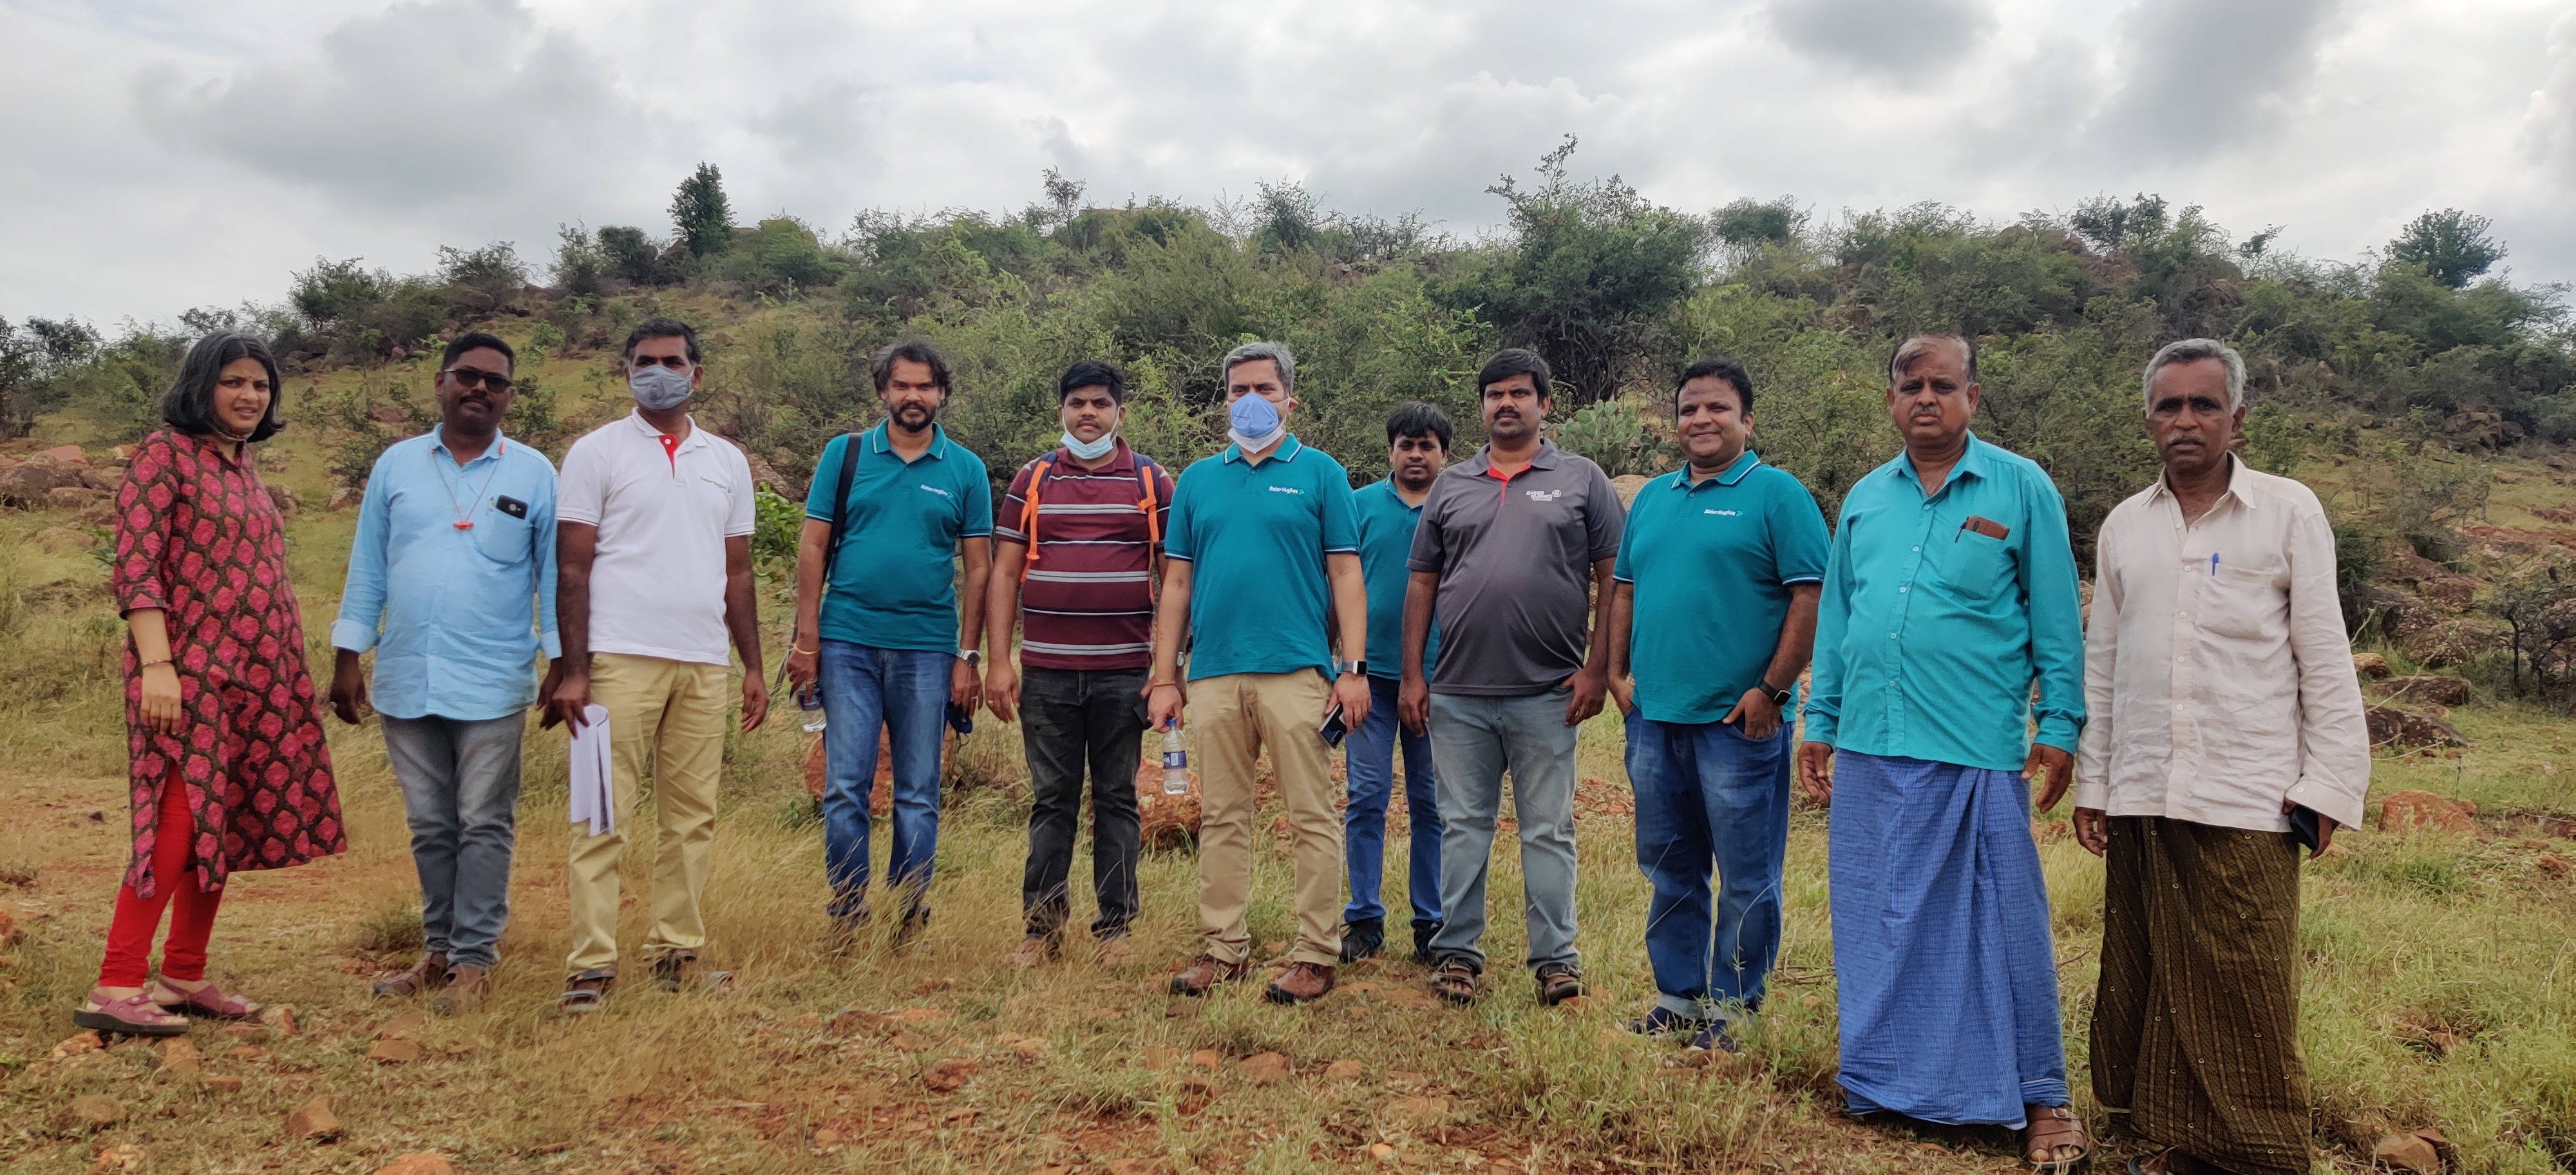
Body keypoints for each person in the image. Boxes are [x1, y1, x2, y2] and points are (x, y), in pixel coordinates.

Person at [2074, 339, 2369, 1175]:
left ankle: (2257, 1154)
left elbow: (2325, 656)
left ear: (2238, 418)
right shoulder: (2127, 525)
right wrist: (2096, 780)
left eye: (2204, 405)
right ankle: (2173, 1140)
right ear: (2148, 423)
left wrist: (2330, 785)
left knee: (2242, 981)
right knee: (2156, 967)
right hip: (2145, 785)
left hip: (2252, 790)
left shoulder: (2287, 513)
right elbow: (2106, 659)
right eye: (2169, 406)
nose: (2186, 421)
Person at [1796, 333, 2090, 1169]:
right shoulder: (1863, 499)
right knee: (1878, 919)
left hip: (1975, 749)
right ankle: (1889, 1085)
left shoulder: (2019, 488)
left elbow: (2055, 619)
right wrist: (1822, 719)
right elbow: (1844, 616)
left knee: (2004, 923)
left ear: (1973, 396)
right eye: (1910, 384)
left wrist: (2060, 725)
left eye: (1942, 385)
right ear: (1891, 398)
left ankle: (2044, 1102)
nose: (1925, 398)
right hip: (1871, 748)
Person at [76, 330, 346, 1036]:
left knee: (218, 821)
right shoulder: (162, 455)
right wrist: (158, 667)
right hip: (188, 674)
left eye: (260, 385)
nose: (249, 396)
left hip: (259, 678)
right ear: (202, 385)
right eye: (234, 381)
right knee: (176, 821)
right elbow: (137, 569)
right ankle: (116, 982)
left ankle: (184, 974)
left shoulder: (244, 467)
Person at [542, 318, 768, 1013]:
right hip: (615, 660)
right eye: (645, 361)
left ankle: (676, 952)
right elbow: (571, 566)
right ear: (627, 371)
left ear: (696, 374)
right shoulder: (595, 453)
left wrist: (752, 666)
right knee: (599, 813)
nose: (658, 371)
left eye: (672, 361)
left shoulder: (726, 461)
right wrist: (573, 669)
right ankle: (591, 966)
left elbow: (738, 574)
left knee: (691, 816)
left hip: (702, 662)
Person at [330, 331, 557, 1014]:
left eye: (496, 381)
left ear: (510, 396)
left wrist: (565, 663)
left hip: (492, 676)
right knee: (430, 822)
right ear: (440, 382)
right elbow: (369, 567)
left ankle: (475, 959)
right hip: (406, 673)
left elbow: (554, 575)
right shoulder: (397, 465)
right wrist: (348, 654)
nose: (480, 388)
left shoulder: (533, 472)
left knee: (484, 819)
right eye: (468, 376)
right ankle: (437, 951)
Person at [1605, 356, 1827, 1052]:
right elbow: (1624, 588)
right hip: (1655, 718)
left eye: (1717, 409)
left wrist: (1772, 690)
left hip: (1738, 725)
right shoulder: (1653, 499)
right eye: (1689, 409)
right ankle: (1677, 996)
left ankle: (1733, 1010)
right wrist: (1616, 674)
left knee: (1745, 874)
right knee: (1668, 864)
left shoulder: (1777, 495)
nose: (1700, 420)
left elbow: (1811, 595)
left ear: (1746, 420)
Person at [1149, 341, 1371, 1005]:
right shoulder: (1196, 480)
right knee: (1220, 815)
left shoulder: (1321, 474)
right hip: (1213, 674)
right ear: (1224, 400)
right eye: (1239, 389)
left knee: (1311, 817)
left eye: (1264, 389)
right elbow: (1177, 584)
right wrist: (1166, 676)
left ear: (1289, 399)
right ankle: (1223, 948)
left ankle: (1314, 954)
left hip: (1297, 674)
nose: (1251, 401)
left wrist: (1352, 669)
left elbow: (1346, 575)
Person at [1400, 348, 1623, 1008]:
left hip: (1549, 692)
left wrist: (1597, 670)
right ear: (1482, 406)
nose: (1506, 403)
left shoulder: (1582, 479)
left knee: (1547, 828)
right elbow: (1421, 582)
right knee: (1462, 824)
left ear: (1544, 404)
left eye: (1519, 393)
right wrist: (1413, 675)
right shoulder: (1452, 484)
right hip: (1459, 692)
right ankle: (1457, 954)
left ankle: (1555, 959)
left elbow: (1615, 579)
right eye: (1494, 394)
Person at [782, 339, 992, 946]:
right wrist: (806, 640)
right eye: (901, 385)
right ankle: (847, 909)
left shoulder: (966, 469)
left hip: (927, 648)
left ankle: (909, 911)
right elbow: (814, 546)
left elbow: (978, 568)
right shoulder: (845, 456)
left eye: (925, 386)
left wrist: (968, 656)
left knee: (919, 788)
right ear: (883, 392)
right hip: (847, 640)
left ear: (942, 394)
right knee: (846, 782)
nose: (913, 396)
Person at [981, 359, 1166, 968]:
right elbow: (1005, 571)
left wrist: (1169, 668)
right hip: (1046, 673)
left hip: (1125, 674)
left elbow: (1176, 578)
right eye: (1077, 403)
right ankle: (1041, 931)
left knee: (1116, 799)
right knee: (1052, 799)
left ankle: (1114, 931)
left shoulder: (1150, 481)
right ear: (1060, 410)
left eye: (1101, 404)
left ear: (1120, 412)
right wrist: (999, 661)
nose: (1089, 414)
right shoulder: (1032, 479)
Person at [1340, 402, 1452, 964]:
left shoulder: (1460, 506)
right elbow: (1335, 585)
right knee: (1365, 798)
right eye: (1405, 445)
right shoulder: (1356, 505)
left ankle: (1431, 922)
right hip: (1368, 683)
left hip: (1441, 682)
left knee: (1432, 805)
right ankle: (1363, 919)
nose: (1415, 454)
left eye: (1426, 445)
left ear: (1443, 454)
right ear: (1390, 450)